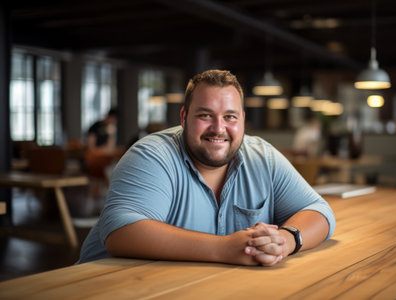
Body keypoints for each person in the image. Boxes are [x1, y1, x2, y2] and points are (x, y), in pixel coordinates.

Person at [78, 70, 335, 266]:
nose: (218, 128)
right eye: (205, 115)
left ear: (242, 120)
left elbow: (319, 211)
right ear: (183, 117)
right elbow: (121, 232)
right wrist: (224, 248)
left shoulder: (263, 157)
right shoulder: (151, 155)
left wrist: (286, 241)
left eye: (230, 117)